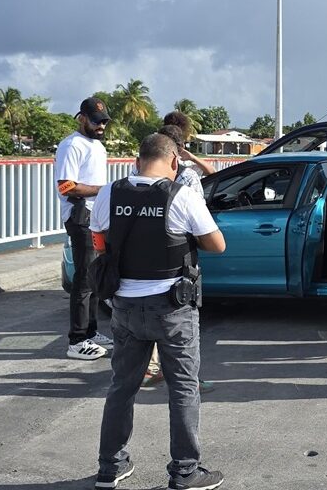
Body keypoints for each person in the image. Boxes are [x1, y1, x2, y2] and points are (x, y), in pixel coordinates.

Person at [92, 133, 226, 490]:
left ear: (137, 161)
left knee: (122, 386)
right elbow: (217, 244)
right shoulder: (181, 194)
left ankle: (111, 467)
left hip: (123, 306)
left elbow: (99, 241)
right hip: (172, 308)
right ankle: (185, 472)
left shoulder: (110, 192)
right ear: (173, 162)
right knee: (183, 388)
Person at [140, 124, 215, 395]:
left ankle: (150, 369)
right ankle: (188, 380)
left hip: (139, 265)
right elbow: (208, 234)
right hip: (179, 263)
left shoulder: (132, 180)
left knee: (142, 322)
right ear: (178, 152)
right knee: (183, 328)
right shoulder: (188, 180)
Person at [55, 97, 112, 360]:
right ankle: (77, 340)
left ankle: (90, 332)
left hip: (96, 216)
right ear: (82, 118)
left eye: (104, 121)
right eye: (96, 121)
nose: (101, 126)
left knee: (93, 276)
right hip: (80, 216)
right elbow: (65, 186)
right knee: (83, 277)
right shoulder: (71, 145)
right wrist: (103, 190)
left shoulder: (98, 147)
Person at [163, 111, 217, 177]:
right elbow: (212, 172)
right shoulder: (185, 163)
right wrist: (193, 158)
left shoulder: (153, 156)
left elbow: (212, 171)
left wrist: (192, 157)